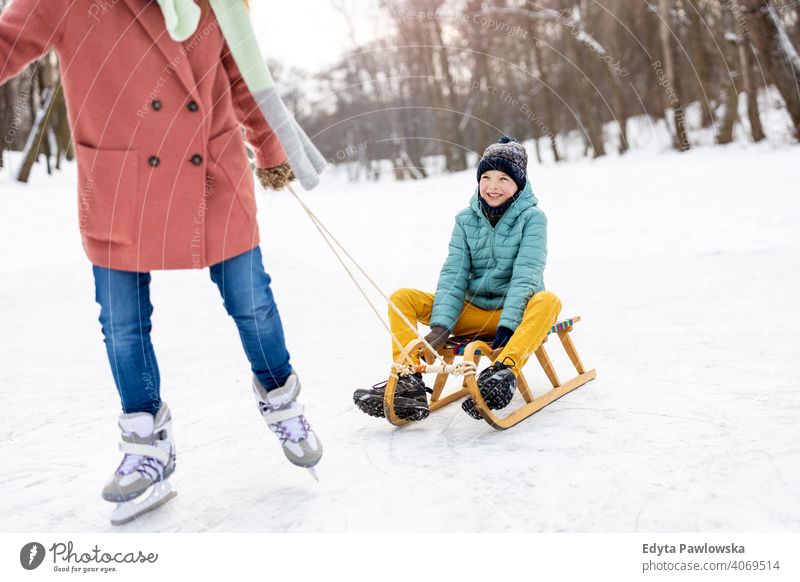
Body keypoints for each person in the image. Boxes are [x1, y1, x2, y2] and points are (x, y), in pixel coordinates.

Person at [0, 0, 321, 520]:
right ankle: (146, 442)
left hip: (212, 171)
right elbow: (6, 42)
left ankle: (282, 397)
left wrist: (271, 149)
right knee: (122, 324)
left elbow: (242, 76)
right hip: (119, 181)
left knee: (252, 300)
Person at [354, 137, 562, 421]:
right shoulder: (466, 220)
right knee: (402, 298)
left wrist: (508, 328)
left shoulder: (533, 219)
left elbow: (527, 275)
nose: (493, 186)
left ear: (520, 184)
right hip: (473, 312)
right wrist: (441, 327)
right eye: (486, 177)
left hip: (516, 315)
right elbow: (454, 274)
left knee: (548, 301)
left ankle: (501, 373)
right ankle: (409, 382)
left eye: (504, 178)